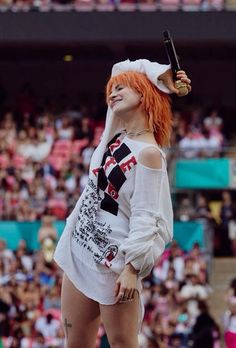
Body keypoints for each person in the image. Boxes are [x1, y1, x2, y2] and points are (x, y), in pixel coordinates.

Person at [54, 58, 191, 348]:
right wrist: (164, 74)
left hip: (114, 267)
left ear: (143, 93)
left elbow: (147, 217)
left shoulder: (150, 154)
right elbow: (120, 68)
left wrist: (132, 270)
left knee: (123, 344)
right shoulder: (113, 135)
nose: (113, 92)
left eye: (122, 88)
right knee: (74, 343)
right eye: (111, 89)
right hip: (80, 252)